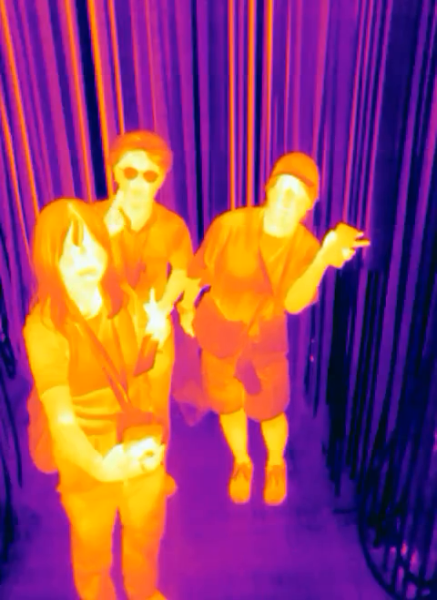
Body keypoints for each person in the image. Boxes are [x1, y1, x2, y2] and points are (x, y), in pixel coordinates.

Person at [177, 152, 370, 506]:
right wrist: (187, 306)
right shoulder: (230, 224)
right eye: (281, 188)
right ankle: (241, 462)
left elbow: (293, 303)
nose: (285, 199)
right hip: (219, 334)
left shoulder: (306, 246)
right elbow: (198, 269)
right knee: (227, 405)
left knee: (270, 411)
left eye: (297, 194)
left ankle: (275, 462)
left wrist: (322, 259)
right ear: (268, 188)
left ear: (308, 206)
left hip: (264, 344)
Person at [23, 198, 171, 600]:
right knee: (92, 546)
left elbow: (135, 372)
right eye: (70, 251)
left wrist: (155, 337)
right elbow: (61, 420)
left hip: (136, 435)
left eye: (91, 246)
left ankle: (143, 591)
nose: (84, 260)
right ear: (49, 260)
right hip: (85, 454)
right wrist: (99, 466)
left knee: (144, 530)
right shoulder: (45, 327)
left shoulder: (123, 299)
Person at [95, 131, 195, 450]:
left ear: (161, 180)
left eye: (149, 175)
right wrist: (104, 236)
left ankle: (157, 466)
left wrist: (164, 306)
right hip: (106, 331)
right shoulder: (91, 219)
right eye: (129, 171)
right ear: (114, 171)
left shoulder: (172, 226)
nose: (138, 182)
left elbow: (182, 271)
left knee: (156, 404)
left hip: (153, 331)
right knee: (112, 406)